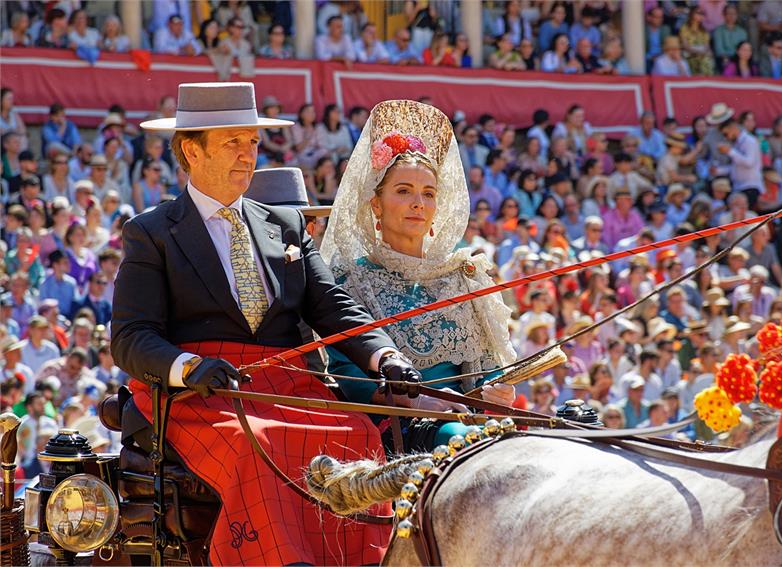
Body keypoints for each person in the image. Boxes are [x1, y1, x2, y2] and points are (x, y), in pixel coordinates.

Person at [111, 82, 420, 566]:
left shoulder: (286, 225)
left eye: (252, 141)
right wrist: (189, 367)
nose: (247, 154)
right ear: (192, 150)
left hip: (287, 380)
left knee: (358, 432)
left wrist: (385, 355)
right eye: (232, 141)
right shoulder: (151, 232)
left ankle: (362, 559)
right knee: (254, 444)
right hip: (200, 391)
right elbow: (131, 338)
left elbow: (333, 307)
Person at [320, 100, 517, 451]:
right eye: (403, 191)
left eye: (428, 194)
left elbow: (489, 367)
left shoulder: (463, 275)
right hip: (395, 429)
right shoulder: (350, 279)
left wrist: (499, 389)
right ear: (376, 204)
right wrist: (414, 401)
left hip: (468, 420)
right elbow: (346, 374)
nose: (418, 204)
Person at [713, 109, 763, 209]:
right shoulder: (735, 143)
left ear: (732, 128)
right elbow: (735, 167)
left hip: (750, 187)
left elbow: (749, 163)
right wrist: (718, 171)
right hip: (738, 187)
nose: (726, 137)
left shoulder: (750, 141)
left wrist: (730, 152)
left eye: (726, 134)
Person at [679, 6, 714, 76]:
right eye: (698, 13)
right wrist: (699, 52)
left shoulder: (704, 30)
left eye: (702, 13)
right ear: (692, 14)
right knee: (704, 61)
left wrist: (707, 52)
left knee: (708, 60)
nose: (701, 15)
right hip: (689, 55)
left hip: (702, 55)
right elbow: (685, 46)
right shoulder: (685, 28)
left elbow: (707, 46)